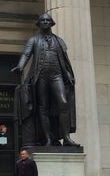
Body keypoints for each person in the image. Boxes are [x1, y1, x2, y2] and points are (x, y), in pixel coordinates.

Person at [12, 13, 79, 147]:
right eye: (42, 20)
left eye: (47, 20)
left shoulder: (59, 41)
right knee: (43, 107)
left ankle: (66, 137)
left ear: (52, 23)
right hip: (40, 76)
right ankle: (47, 138)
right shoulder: (34, 40)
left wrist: (68, 74)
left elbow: (64, 60)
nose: (45, 22)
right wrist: (20, 66)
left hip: (56, 75)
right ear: (39, 24)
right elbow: (26, 53)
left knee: (63, 102)